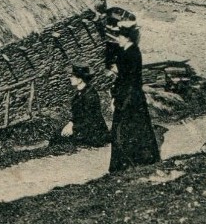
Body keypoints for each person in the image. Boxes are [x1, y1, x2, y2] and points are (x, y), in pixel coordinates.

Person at [108, 27, 161, 173]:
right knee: (130, 129)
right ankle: (131, 162)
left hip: (130, 97)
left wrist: (120, 100)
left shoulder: (132, 53)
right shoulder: (127, 51)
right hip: (128, 96)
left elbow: (129, 79)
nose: (117, 39)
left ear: (127, 38)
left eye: (119, 37)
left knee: (128, 129)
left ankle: (130, 162)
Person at [51, 65, 110, 147]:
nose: (70, 78)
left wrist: (73, 128)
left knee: (61, 139)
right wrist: (70, 123)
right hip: (82, 126)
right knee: (57, 134)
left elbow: (89, 118)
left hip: (93, 131)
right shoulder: (79, 93)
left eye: (72, 76)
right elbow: (77, 114)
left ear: (80, 79)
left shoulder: (90, 95)